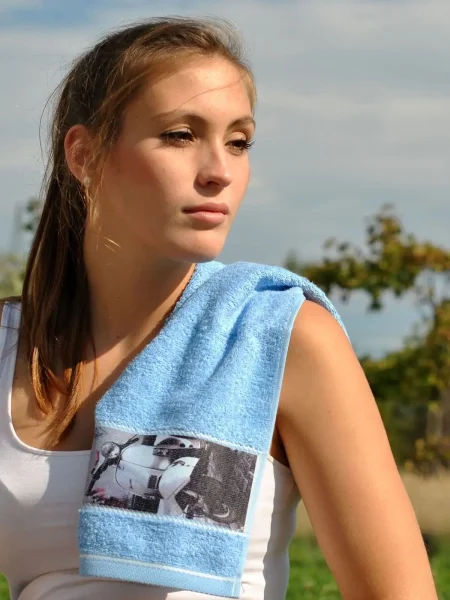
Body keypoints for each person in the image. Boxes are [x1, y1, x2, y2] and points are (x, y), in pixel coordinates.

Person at [0, 16, 438, 600]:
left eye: (238, 142)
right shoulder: (7, 349)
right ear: (83, 154)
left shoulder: (280, 338)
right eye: (181, 135)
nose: (220, 172)